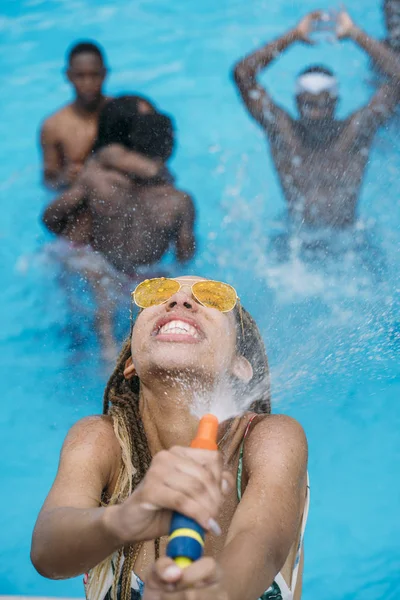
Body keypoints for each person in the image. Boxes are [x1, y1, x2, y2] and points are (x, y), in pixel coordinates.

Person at [31, 275, 309, 600]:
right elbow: (46, 553)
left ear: (239, 366)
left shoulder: (272, 438)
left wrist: (213, 594)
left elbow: (260, 544)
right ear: (131, 363)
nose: (180, 301)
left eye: (212, 297)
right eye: (157, 293)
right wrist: (126, 518)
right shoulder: (100, 439)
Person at [42, 97, 196, 360]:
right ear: (170, 149)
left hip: (102, 269)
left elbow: (50, 218)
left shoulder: (98, 180)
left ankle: (99, 350)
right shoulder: (179, 201)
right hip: (143, 278)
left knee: (97, 316)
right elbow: (185, 254)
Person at [233, 9, 400, 228]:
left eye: (321, 104)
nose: (315, 111)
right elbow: (242, 74)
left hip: (337, 243)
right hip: (306, 245)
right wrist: (293, 35)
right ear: (296, 102)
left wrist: (355, 33)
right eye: (308, 104)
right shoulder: (283, 131)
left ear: (335, 103)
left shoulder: (356, 130)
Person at [40, 41, 109, 190]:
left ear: (104, 74)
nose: (88, 83)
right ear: (69, 76)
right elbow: (49, 180)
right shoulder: (53, 126)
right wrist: (64, 178)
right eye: (80, 76)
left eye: (94, 75)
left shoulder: (123, 113)